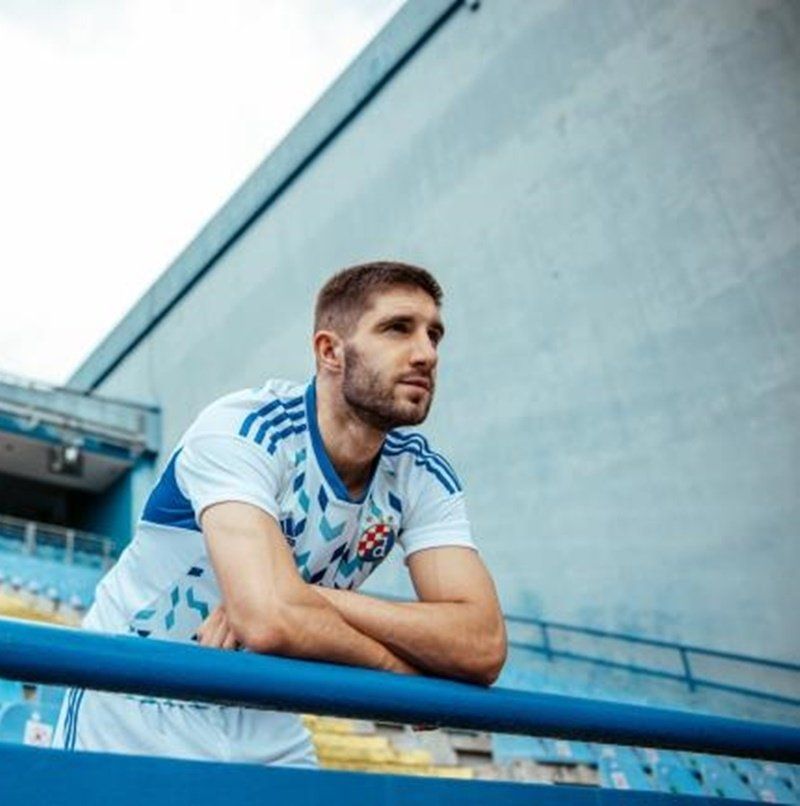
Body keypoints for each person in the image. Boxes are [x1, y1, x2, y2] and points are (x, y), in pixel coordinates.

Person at [53, 260, 507, 767]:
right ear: (330, 351)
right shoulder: (245, 428)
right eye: (398, 328)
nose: (426, 353)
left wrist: (313, 597)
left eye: (434, 335)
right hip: (137, 695)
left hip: (265, 705)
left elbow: (482, 645)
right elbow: (269, 619)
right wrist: (397, 673)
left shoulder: (419, 473)